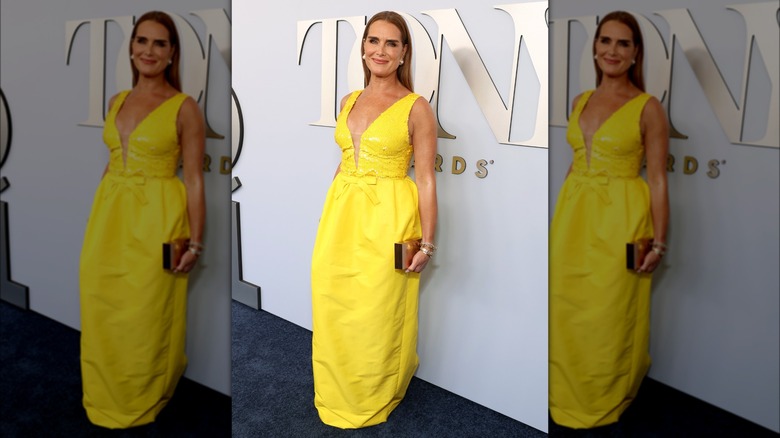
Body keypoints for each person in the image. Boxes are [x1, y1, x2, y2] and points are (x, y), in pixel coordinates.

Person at [310, 11, 438, 429]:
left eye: (391, 43)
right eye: (373, 41)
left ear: (404, 53)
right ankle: (337, 386)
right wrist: (329, 213)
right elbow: (344, 162)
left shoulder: (416, 107)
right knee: (335, 304)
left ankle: (373, 390)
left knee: (378, 309)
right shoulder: (349, 100)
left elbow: (425, 179)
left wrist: (428, 242)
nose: (379, 51)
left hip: (389, 218)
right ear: (363, 48)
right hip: (342, 215)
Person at [79, 11, 205, 429]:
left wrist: (196, 241)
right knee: (102, 306)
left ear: (172, 53)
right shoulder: (117, 100)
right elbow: (111, 163)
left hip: (158, 220)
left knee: (147, 310)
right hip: (110, 217)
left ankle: (142, 394)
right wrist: (98, 215)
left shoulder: (184, 108)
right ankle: (103, 390)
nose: (148, 51)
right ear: (131, 47)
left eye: (159, 43)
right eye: (142, 41)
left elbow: (194, 181)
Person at [549, 10, 670, 429]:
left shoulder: (648, 107)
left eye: (623, 43)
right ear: (595, 47)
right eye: (605, 41)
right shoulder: (579, 101)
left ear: (636, 53)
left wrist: (658, 242)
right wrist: (559, 218)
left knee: (608, 310)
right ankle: (565, 388)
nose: (612, 51)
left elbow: (656, 180)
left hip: (621, 217)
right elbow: (574, 163)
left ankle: (605, 391)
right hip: (574, 215)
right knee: (566, 307)